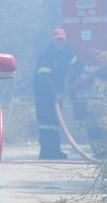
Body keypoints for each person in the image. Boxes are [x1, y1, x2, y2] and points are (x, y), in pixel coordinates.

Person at [34, 27, 79, 160]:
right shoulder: (45, 56)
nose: (60, 42)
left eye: (62, 40)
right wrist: (55, 94)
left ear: (65, 41)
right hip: (44, 95)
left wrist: (81, 73)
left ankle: (54, 151)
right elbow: (44, 78)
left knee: (54, 124)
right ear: (52, 41)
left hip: (57, 95)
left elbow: (76, 63)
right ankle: (46, 152)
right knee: (46, 124)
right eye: (57, 40)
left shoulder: (66, 53)